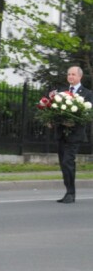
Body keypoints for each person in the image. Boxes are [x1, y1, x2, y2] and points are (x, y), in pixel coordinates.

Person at [54, 66, 93, 203]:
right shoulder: (61, 92)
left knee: (67, 161)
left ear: (79, 77)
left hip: (75, 135)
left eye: (73, 74)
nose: (70, 76)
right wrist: (52, 121)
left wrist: (73, 122)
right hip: (61, 134)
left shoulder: (88, 94)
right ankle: (68, 191)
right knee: (64, 164)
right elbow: (54, 111)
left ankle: (71, 193)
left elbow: (88, 115)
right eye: (69, 74)